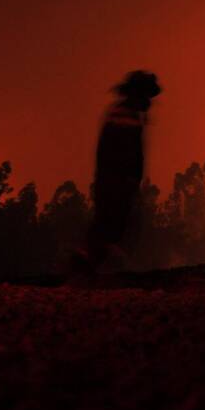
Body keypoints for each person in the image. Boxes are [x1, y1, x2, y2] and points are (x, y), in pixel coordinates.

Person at [74, 70, 161, 276]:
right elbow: (125, 151)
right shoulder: (125, 116)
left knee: (110, 225)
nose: (149, 101)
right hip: (116, 181)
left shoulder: (123, 113)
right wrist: (127, 179)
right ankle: (89, 269)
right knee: (115, 225)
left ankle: (90, 268)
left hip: (113, 179)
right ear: (138, 95)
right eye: (146, 96)